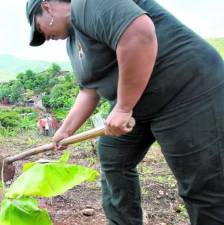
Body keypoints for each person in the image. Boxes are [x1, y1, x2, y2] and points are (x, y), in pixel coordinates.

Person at [25, 0, 224, 224]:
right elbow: (89, 90)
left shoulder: (87, 4)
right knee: (114, 160)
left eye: (38, 27)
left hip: (186, 88)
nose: (43, 37)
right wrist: (65, 130)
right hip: (140, 103)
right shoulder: (74, 43)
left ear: (47, 7)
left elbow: (138, 33)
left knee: (201, 183)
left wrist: (123, 107)